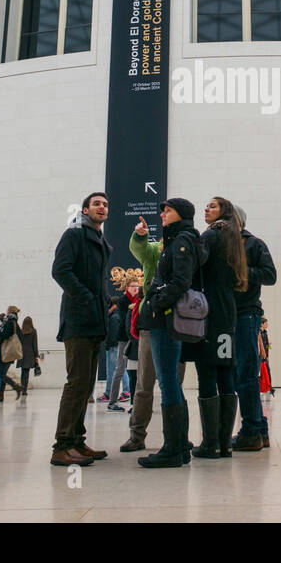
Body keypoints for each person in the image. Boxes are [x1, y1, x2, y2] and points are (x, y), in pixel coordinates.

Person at [137, 198, 201, 469]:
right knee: (169, 381)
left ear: (182, 214)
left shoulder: (182, 240)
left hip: (166, 321)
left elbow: (181, 281)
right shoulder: (178, 239)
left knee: (167, 381)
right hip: (166, 319)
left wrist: (156, 303)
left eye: (168, 210)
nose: (162, 214)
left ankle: (173, 449)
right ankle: (179, 446)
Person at [49, 191, 111, 467]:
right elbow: (61, 270)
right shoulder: (74, 235)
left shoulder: (99, 240)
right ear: (85, 210)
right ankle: (62, 445)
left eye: (105, 204)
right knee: (76, 383)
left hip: (96, 320)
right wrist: (85, 297)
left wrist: (107, 301)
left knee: (86, 385)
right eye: (96, 203)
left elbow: (96, 282)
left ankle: (77, 441)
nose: (102, 207)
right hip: (78, 320)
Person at [185, 196, 244, 458]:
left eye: (212, 206)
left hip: (208, 314)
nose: (206, 208)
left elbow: (196, 263)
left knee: (207, 374)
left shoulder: (210, 235)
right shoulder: (233, 238)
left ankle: (210, 444)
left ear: (224, 212)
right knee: (225, 374)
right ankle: (224, 443)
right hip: (227, 315)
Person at [229, 205, 277, 451]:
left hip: (246, 314)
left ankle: (252, 431)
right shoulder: (219, 245)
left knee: (246, 375)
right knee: (240, 375)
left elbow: (270, 275)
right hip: (226, 315)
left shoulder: (254, 244)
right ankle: (260, 431)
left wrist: (241, 271)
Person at [120, 220, 163, 453]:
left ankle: (175, 436)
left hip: (177, 323)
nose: (163, 215)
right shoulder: (156, 250)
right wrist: (140, 235)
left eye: (168, 212)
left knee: (172, 384)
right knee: (144, 384)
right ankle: (137, 435)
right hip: (151, 321)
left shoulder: (188, 246)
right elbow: (140, 249)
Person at [0, 308, 24, 402]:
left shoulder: (10, 322)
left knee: (1, 374)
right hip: (10, 352)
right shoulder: (16, 323)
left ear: (9, 312)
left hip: (5, 352)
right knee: (2, 374)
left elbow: (5, 335)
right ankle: (0, 396)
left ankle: (16, 386)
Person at [102, 295, 128, 412]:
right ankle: (111, 393)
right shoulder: (116, 316)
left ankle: (116, 393)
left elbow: (113, 332)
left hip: (113, 346)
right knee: (117, 370)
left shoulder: (114, 317)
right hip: (114, 345)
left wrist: (110, 344)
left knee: (115, 370)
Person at [17, 315, 42, 393]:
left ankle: (22, 389)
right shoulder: (33, 331)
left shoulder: (20, 331)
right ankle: (24, 390)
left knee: (23, 372)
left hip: (21, 353)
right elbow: (35, 344)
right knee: (26, 372)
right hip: (30, 354)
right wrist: (36, 356)